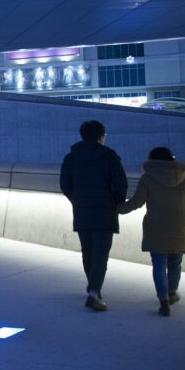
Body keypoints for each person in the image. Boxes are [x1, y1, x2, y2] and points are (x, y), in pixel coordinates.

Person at [118, 147, 185, 317]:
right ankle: (172, 293)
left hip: (156, 227)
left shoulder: (148, 177)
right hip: (179, 226)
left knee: (159, 264)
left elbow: (137, 202)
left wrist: (117, 209)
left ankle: (163, 301)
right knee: (175, 263)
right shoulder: (184, 178)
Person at [60, 120, 127, 312]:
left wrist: (76, 199)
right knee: (101, 254)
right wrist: (116, 201)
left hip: (82, 209)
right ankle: (94, 292)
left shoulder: (71, 157)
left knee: (87, 251)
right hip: (105, 210)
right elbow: (120, 184)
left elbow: (64, 183)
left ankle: (93, 288)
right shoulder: (109, 156)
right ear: (101, 136)